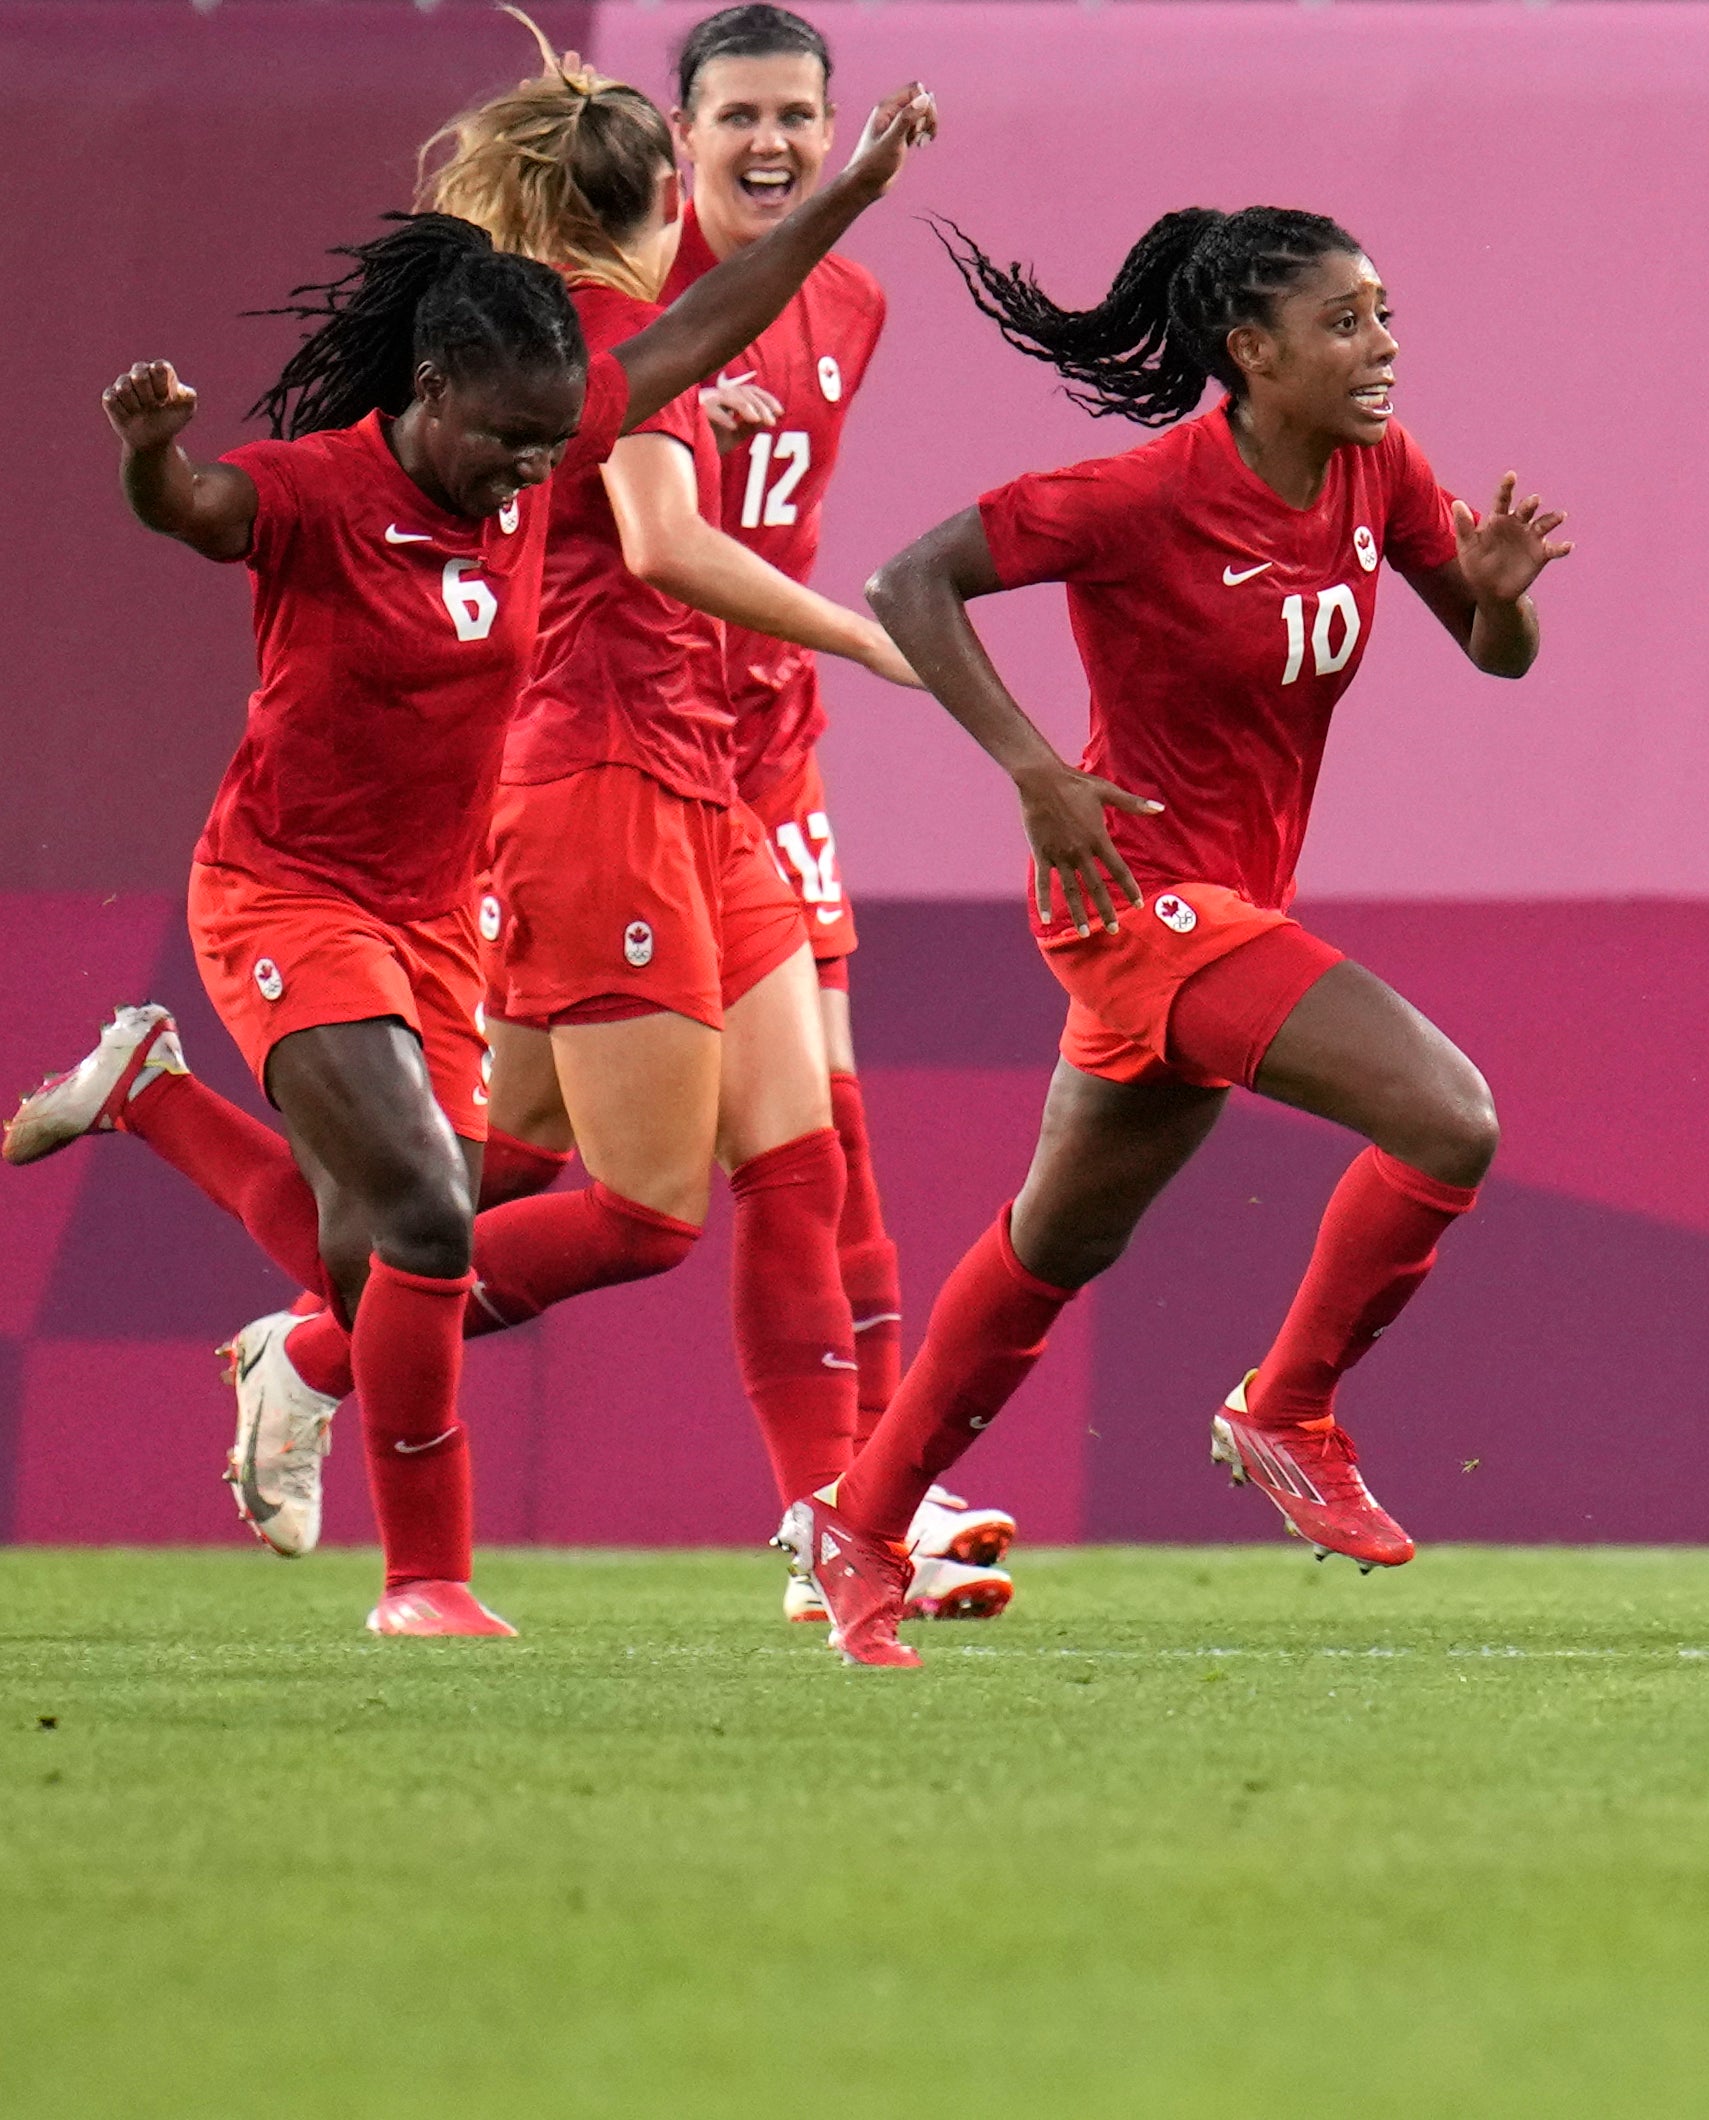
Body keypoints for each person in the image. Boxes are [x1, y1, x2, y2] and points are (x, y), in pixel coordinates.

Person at [4, 62, 927, 1633]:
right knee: (490, 1216)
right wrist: (146, 455)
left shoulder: (561, 405)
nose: (527, 471)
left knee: (468, 1205)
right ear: (434, 401)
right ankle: (407, 1533)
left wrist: (849, 196)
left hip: (507, 868)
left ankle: (164, 1119)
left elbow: (702, 330)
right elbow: (203, 506)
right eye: (509, 446)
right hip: (407, 846)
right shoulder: (359, 467)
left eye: (545, 448)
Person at [783, 205, 1573, 1667]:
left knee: (1057, 1242)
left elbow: (1488, 645)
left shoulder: (1376, 468)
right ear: (1251, 352)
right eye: (1345, 324)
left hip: (1224, 902)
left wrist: (1507, 605)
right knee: (1447, 1119)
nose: (1382, 346)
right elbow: (910, 583)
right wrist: (1034, 772)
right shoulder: (1139, 496)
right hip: (1134, 900)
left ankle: (860, 1520)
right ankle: (1285, 1414)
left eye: (1384, 313)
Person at [652, 8, 1025, 1617]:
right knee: (552, 1178)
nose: (770, 144)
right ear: (679, 137)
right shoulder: (615, 300)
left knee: (823, 1144)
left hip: (768, 751)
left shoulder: (851, 299)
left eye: (796, 115)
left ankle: (863, 1501)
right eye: (737, 114)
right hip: (620, 753)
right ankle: (316, 1344)